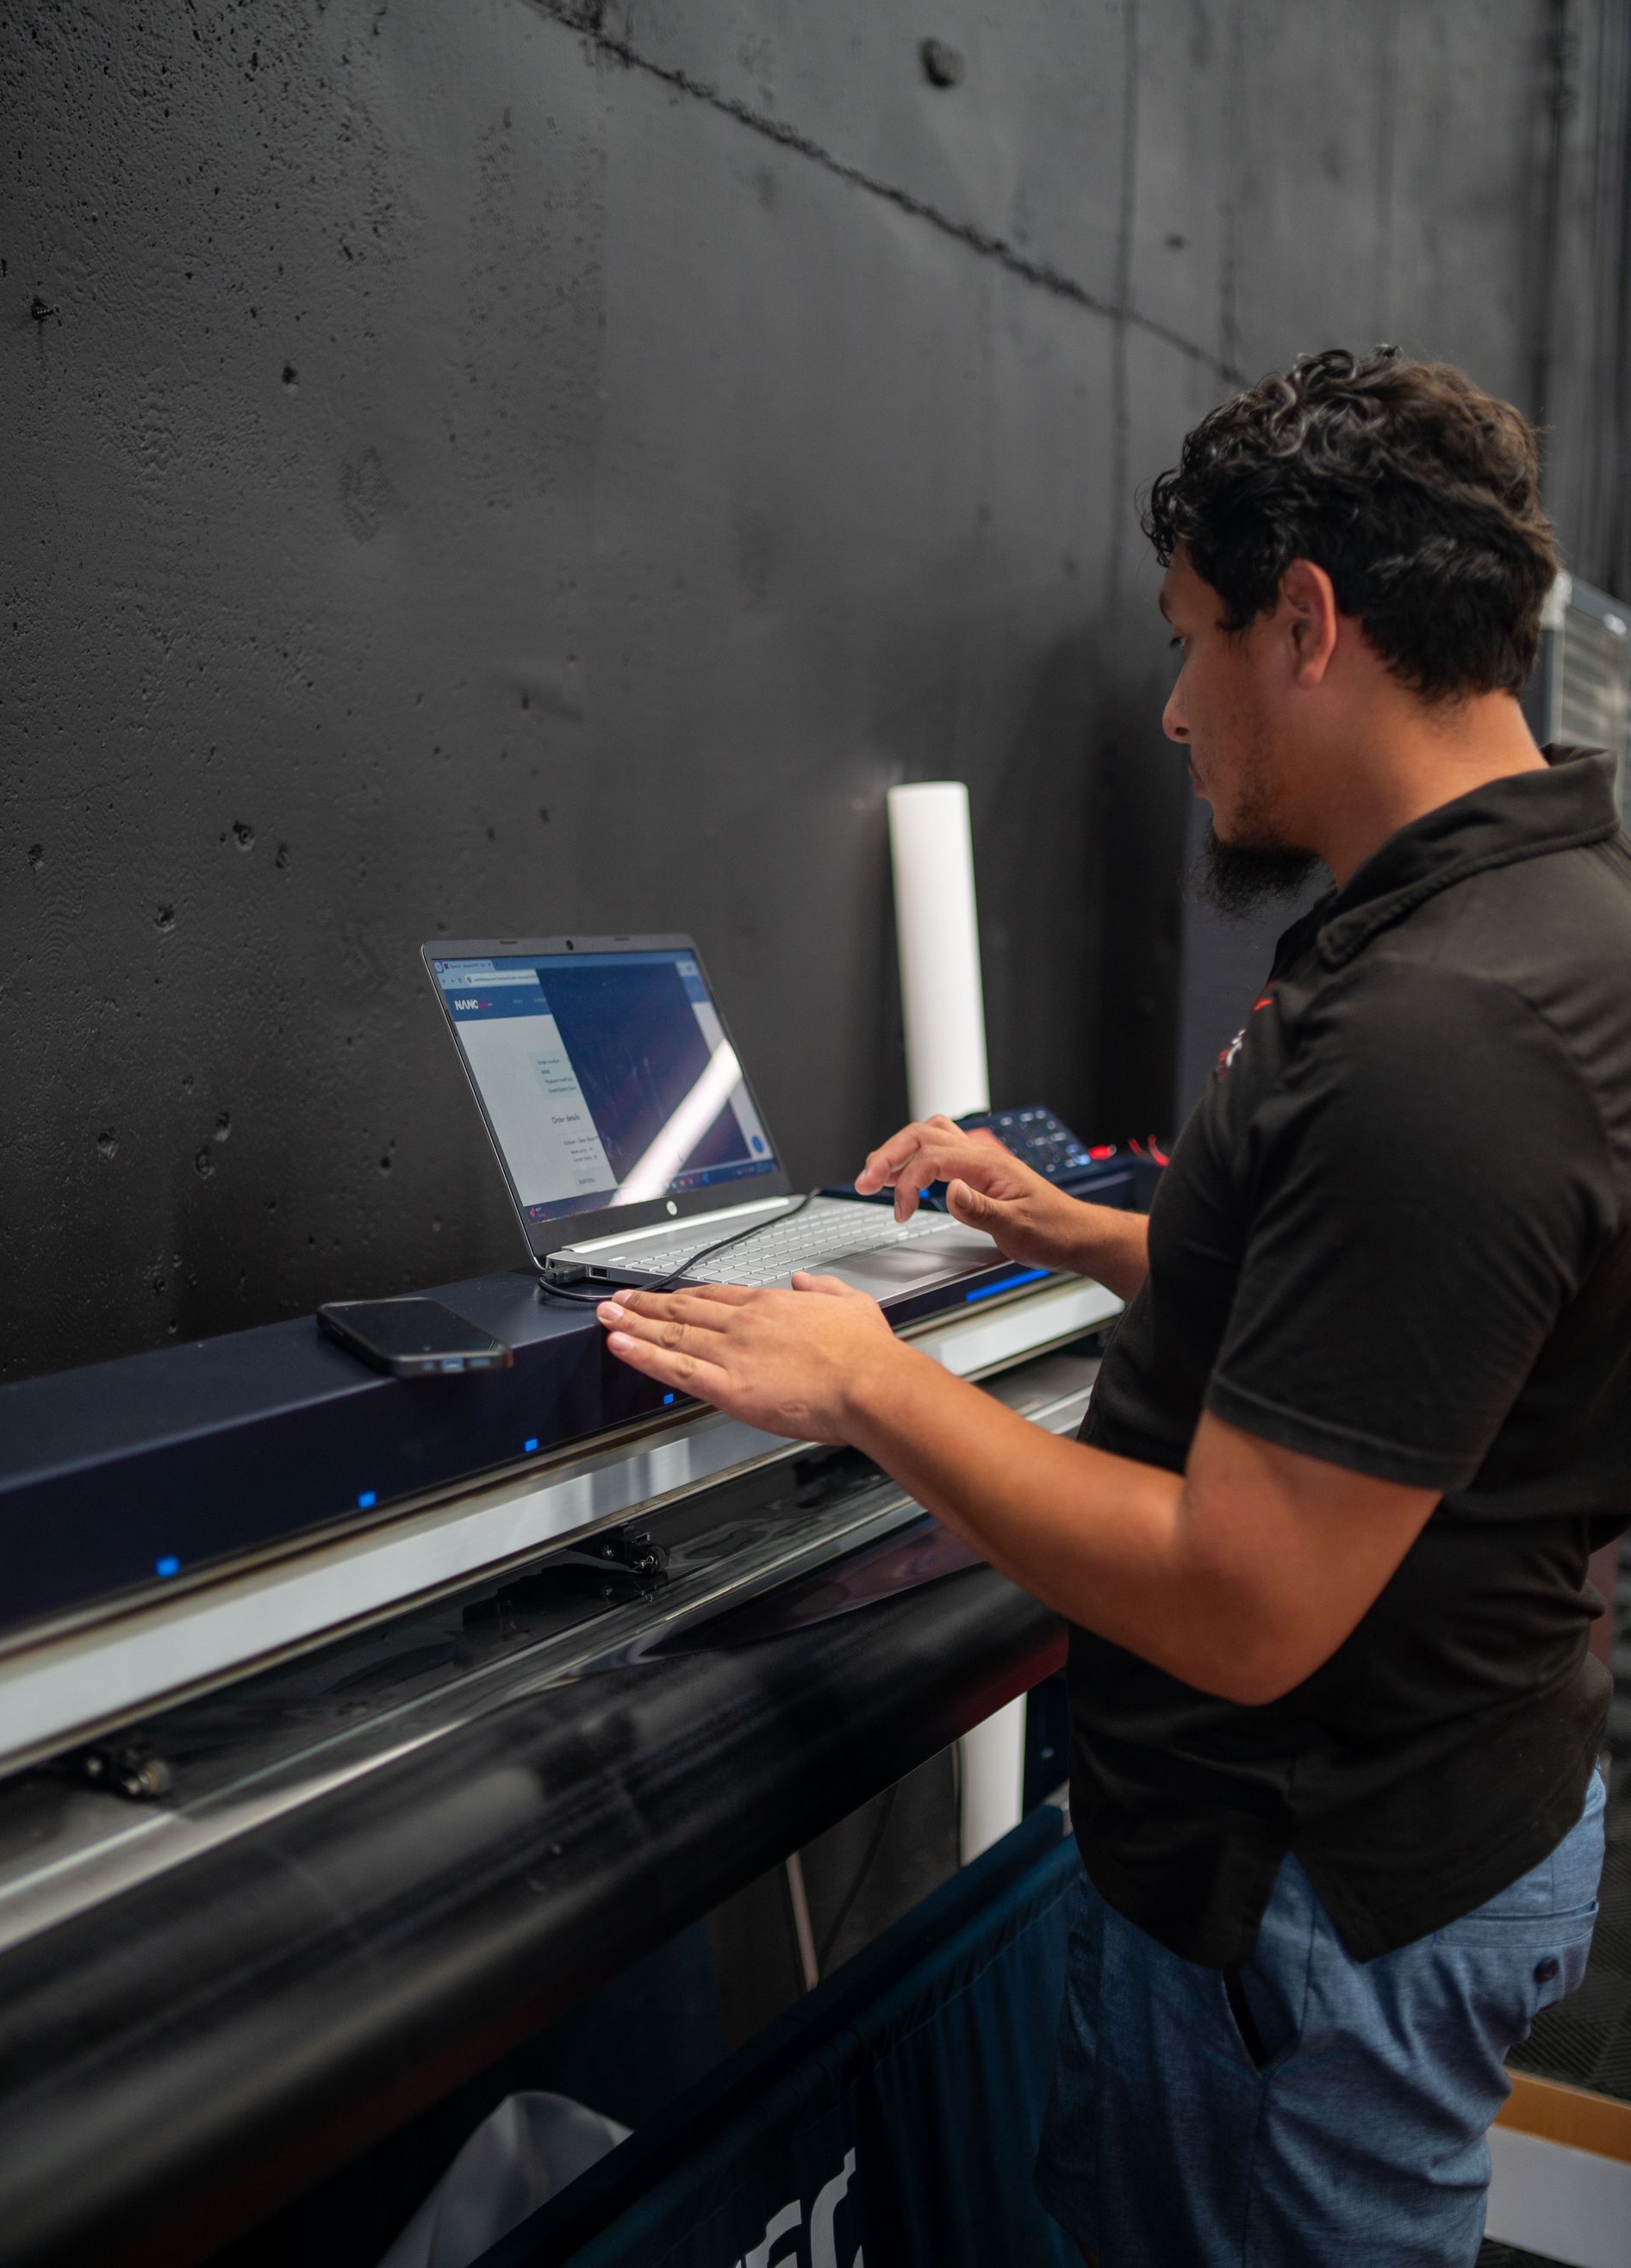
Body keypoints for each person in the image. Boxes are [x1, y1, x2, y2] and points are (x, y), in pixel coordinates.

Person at [596, 347, 1631, 2267]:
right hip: (1410, 1833)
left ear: (1304, 622)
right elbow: (1394, 1324)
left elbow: (1244, 1601)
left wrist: (869, 1385)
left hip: (1306, 1915)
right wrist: (1081, 1236)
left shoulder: (1444, 1033)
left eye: (1192, 642)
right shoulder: (1536, 926)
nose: (1174, 710)